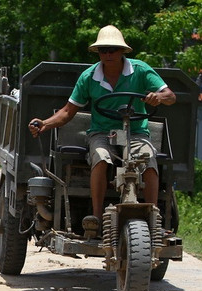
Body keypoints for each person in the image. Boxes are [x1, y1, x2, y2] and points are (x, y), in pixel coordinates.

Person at [28, 25, 176, 218]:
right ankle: (96, 218)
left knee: (147, 158)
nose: (108, 54)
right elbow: (67, 111)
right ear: (97, 52)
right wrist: (45, 124)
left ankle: (153, 216)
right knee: (100, 157)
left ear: (122, 51)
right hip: (102, 134)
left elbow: (170, 96)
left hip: (136, 133)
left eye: (112, 49)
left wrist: (158, 97)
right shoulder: (89, 77)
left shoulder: (140, 70)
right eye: (103, 50)